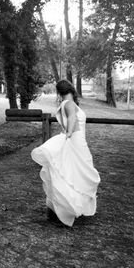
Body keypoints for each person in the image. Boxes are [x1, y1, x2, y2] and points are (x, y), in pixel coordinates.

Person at [31, 79, 100, 227]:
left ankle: (60, 208)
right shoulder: (69, 104)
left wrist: (67, 135)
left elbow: (70, 119)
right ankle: (70, 207)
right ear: (71, 89)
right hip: (76, 140)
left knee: (70, 173)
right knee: (80, 173)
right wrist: (68, 134)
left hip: (74, 139)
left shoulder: (63, 104)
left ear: (59, 92)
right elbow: (72, 119)